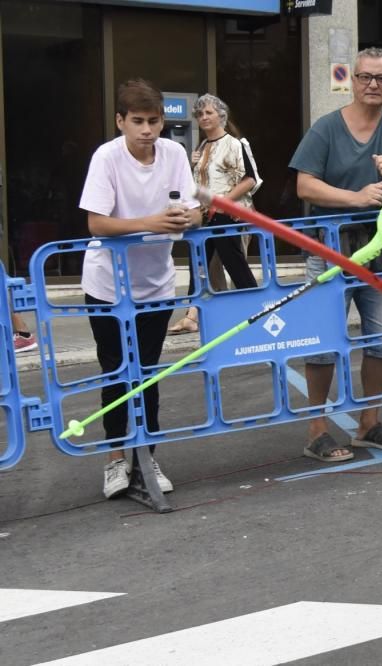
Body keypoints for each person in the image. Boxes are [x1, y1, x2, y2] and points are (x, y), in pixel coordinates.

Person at [289, 46, 382, 461]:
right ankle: (317, 428)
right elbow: (305, 185)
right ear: (352, 80)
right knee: (322, 343)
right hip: (330, 250)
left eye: (381, 79)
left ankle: (369, 422)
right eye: (365, 77)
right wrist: (354, 198)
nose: (373, 85)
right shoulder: (327, 128)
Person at [78, 79, 201, 499]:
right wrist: (151, 222)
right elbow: (96, 223)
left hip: (156, 282)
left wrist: (189, 219)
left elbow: (192, 208)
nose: (147, 130)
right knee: (115, 370)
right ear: (121, 121)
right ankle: (115, 458)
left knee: (148, 373)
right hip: (107, 282)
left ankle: (147, 456)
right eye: (137, 122)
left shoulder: (175, 153)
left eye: (153, 121)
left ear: (163, 121)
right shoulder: (107, 157)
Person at [167, 93, 261, 335]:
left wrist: (223, 202)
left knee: (233, 262)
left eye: (208, 112)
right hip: (204, 214)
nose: (204, 117)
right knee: (199, 265)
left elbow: (251, 179)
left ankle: (257, 309)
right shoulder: (201, 146)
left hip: (227, 214)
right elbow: (196, 182)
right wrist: (192, 163)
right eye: (199, 114)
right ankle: (193, 315)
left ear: (221, 114)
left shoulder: (236, 143)